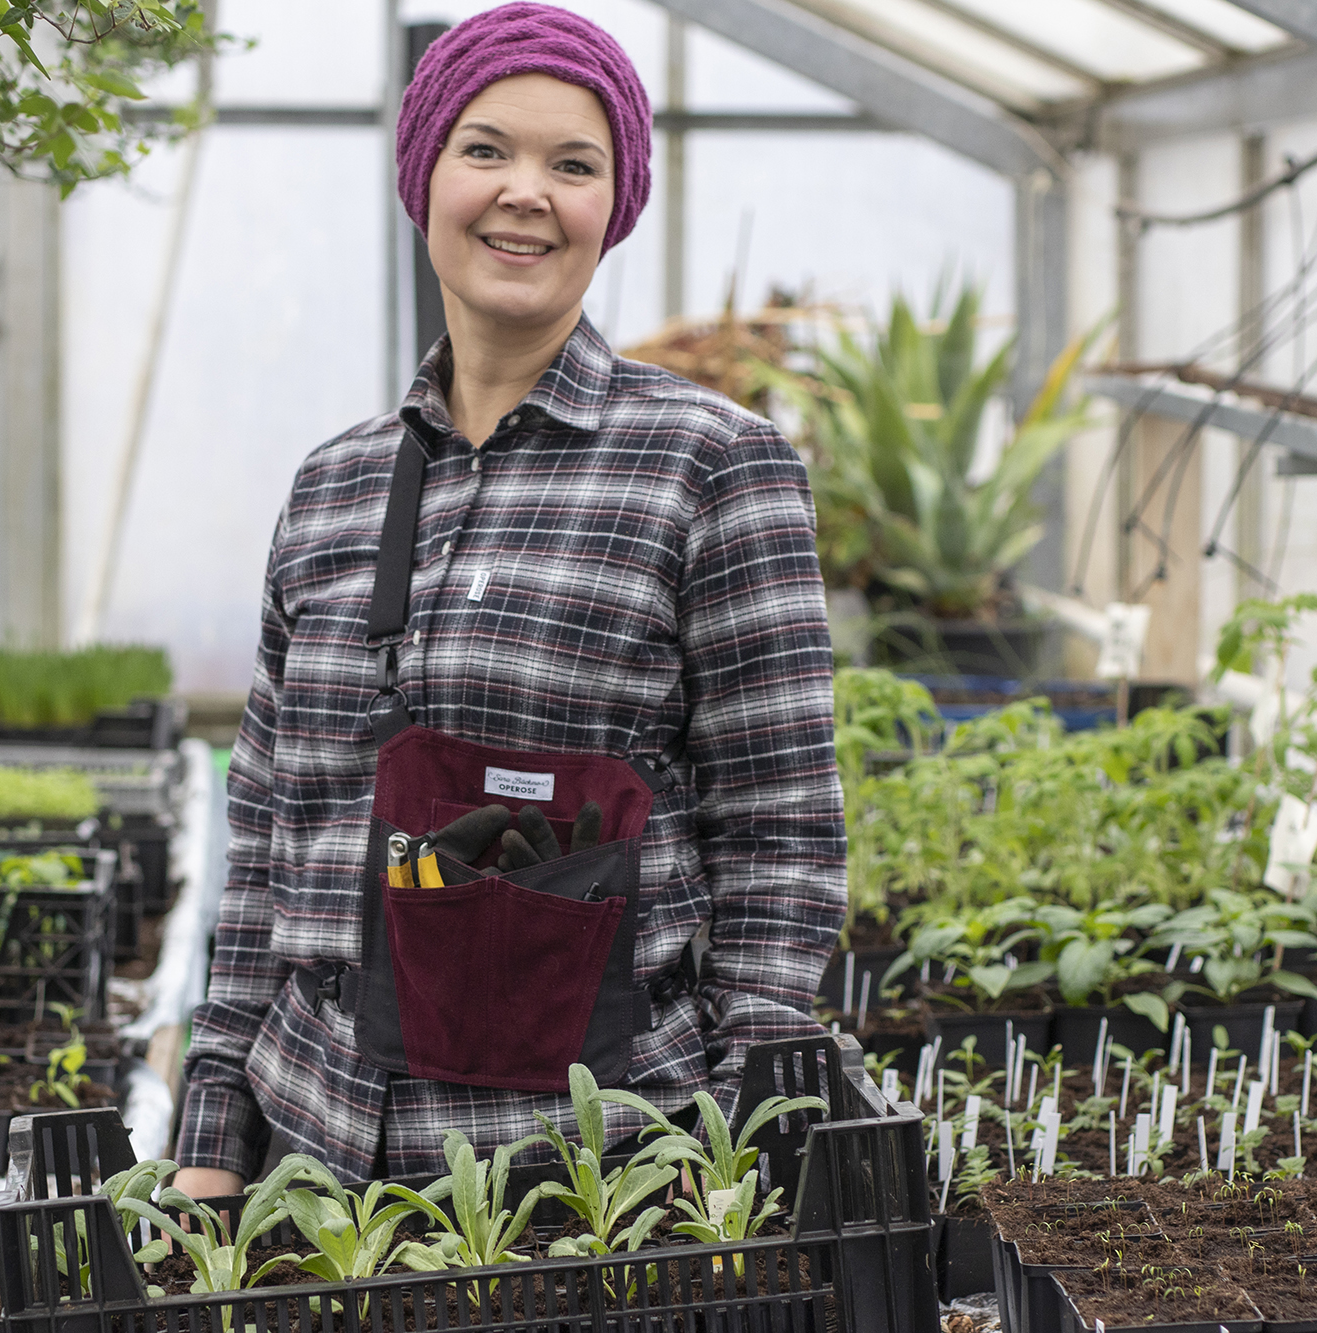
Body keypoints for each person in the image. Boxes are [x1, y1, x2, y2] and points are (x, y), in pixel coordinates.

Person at [172, 1, 845, 1201]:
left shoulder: (706, 466)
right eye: (485, 149)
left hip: (587, 1178)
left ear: (612, 206)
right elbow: (268, 834)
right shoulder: (335, 486)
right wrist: (211, 1145)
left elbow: (781, 836)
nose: (523, 192)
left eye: (571, 164)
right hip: (310, 1164)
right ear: (423, 177)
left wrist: (747, 1153)